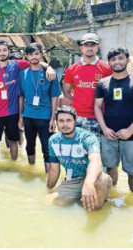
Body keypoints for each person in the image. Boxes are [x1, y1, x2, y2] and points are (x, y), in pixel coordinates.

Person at [0, 40, 56, 161]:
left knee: (13, 140)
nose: (2, 53)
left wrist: (49, 67)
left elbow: (34, 61)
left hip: (13, 112)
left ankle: (14, 165)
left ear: (9, 51)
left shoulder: (17, 65)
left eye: (4, 50)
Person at [47, 106, 112, 210]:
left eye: (68, 120)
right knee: (51, 203)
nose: (65, 124)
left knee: (93, 207)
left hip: (95, 178)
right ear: (56, 122)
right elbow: (54, 170)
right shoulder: (53, 141)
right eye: (61, 121)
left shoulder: (87, 137)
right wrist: (49, 188)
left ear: (75, 121)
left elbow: (96, 161)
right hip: (73, 180)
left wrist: (89, 183)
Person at [94, 47, 133, 191]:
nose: (117, 62)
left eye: (120, 58)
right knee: (110, 168)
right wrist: (104, 129)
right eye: (113, 59)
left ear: (127, 60)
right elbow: (97, 106)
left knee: (132, 173)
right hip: (108, 134)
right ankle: (111, 196)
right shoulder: (103, 83)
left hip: (131, 136)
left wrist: (130, 130)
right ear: (109, 63)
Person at [18, 43, 61, 170]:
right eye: (31, 54)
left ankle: (48, 175)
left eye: (36, 53)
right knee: (29, 146)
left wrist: (53, 118)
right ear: (27, 57)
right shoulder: (23, 74)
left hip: (45, 116)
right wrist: (20, 116)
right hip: (28, 115)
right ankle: (31, 170)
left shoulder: (50, 74)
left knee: (47, 148)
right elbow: (21, 96)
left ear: (41, 55)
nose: (34, 57)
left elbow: (54, 96)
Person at [63, 33, 113, 138]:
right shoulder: (71, 69)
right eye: (86, 45)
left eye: (92, 45)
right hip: (77, 117)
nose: (89, 48)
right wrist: (76, 104)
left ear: (97, 46)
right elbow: (66, 91)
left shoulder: (107, 69)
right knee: (77, 151)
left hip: (99, 118)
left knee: (96, 151)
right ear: (81, 47)